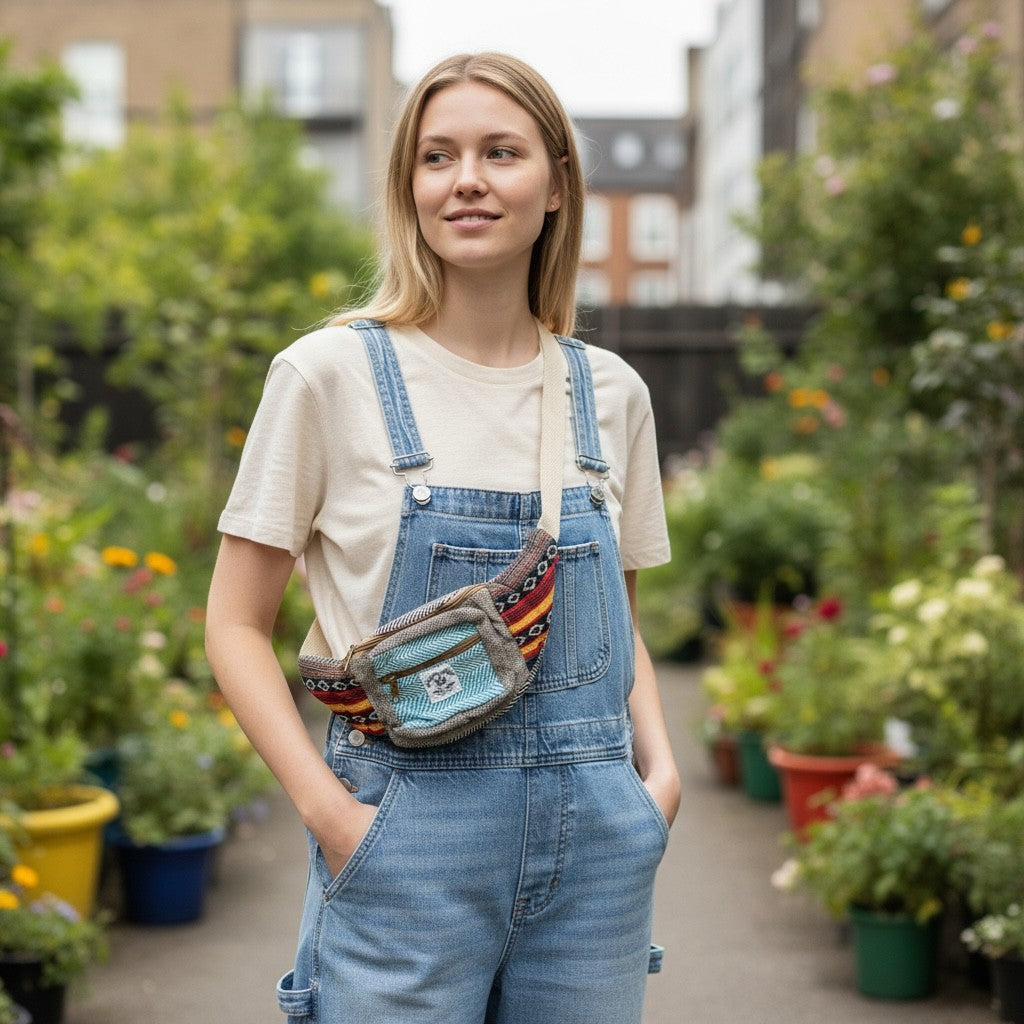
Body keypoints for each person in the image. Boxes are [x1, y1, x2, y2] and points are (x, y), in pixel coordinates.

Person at [205, 51, 681, 1024]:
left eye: (499, 152)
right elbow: (233, 625)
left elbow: (615, 626)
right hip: (406, 836)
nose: (465, 179)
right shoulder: (325, 376)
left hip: (597, 848)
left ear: (554, 184)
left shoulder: (610, 394)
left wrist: (657, 782)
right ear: (409, 186)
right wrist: (333, 818)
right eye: (437, 156)